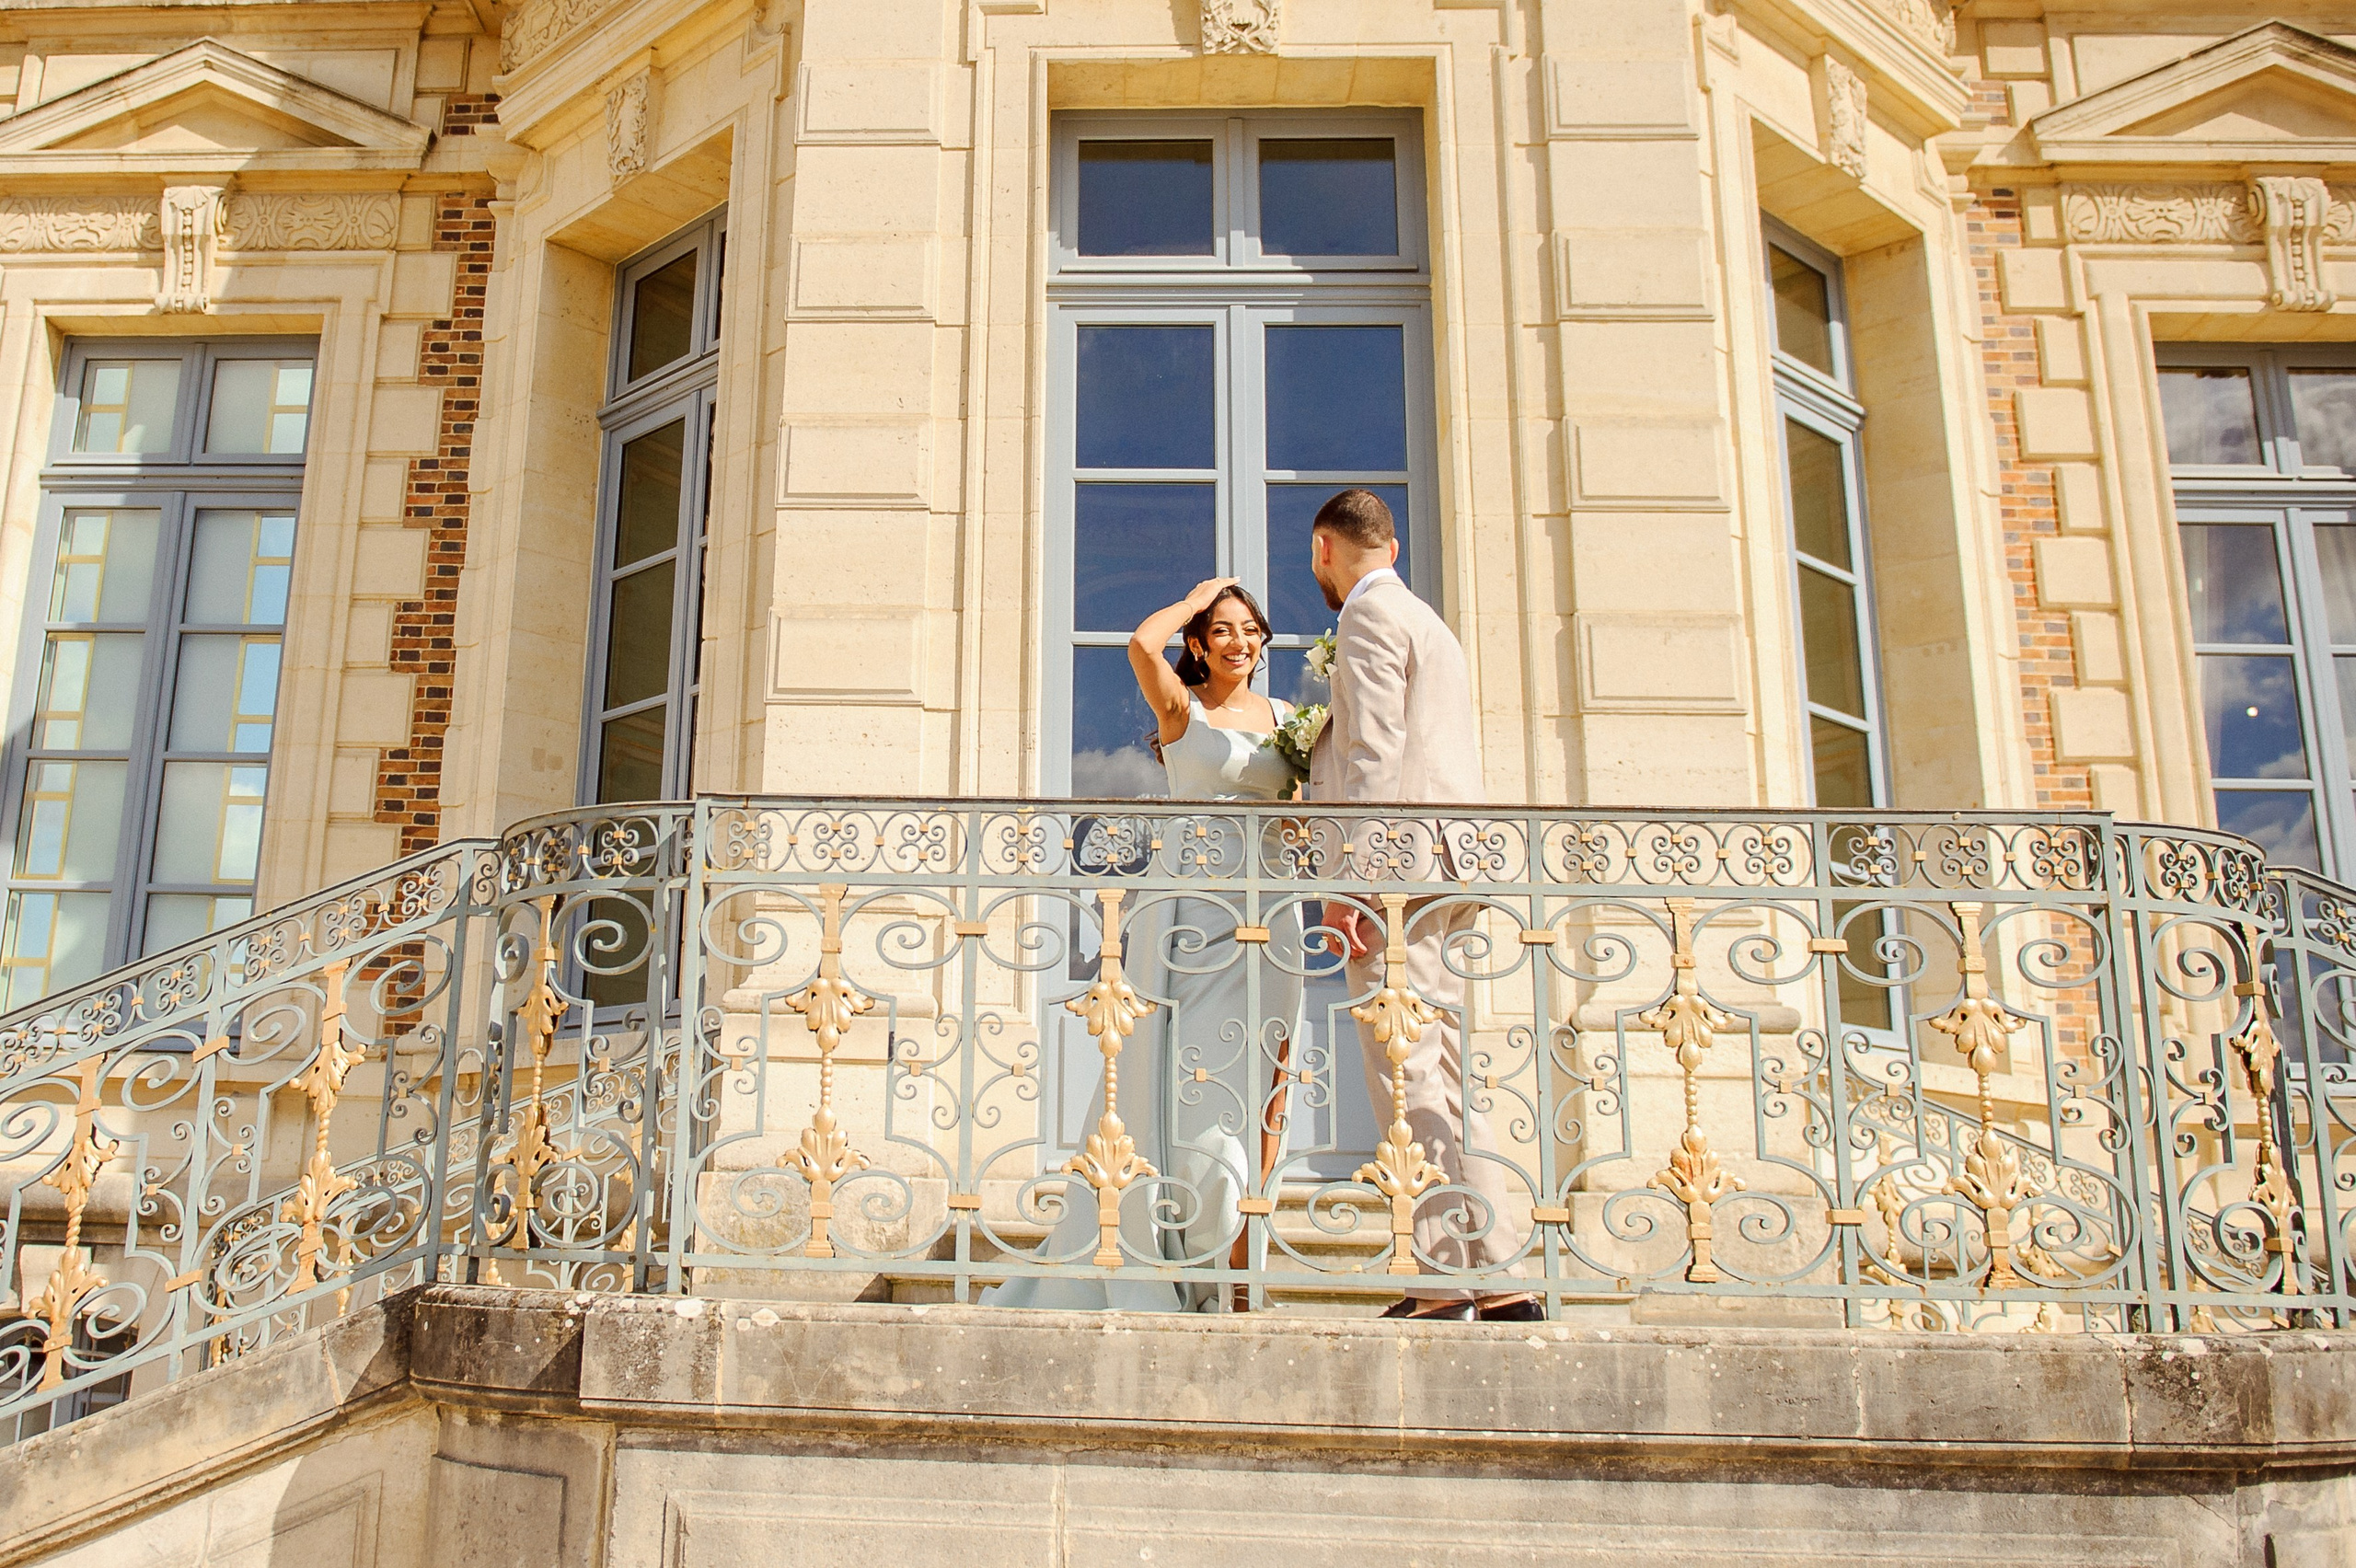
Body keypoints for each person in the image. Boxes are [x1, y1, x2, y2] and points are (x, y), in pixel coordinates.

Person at [985, 579, 1304, 1311]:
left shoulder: (1289, 718)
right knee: (1182, 1085)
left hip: (1270, 909)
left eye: (1251, 630)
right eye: (1223, 630)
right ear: (1198, 642)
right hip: (1190, 912)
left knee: (1262, 1087)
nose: (1240, 643)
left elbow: (1293, 813)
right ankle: (1179, 1254)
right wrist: (1197, 599)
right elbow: (1139, 644)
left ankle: (1239, 1272)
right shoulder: (1179, 709)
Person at [1304, 487, 1535, 1322]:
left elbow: (1374, 753)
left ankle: (1444, 1282)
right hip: (1449, 865)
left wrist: (1356, 888)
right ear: (1392, 548)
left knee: (1403, 1072)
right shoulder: (1429, 622)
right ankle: (1496, 1271)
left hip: (1397, 872)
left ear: (1326, 549)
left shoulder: (1366, 619)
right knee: (1440, 1071)